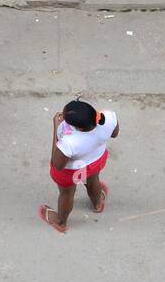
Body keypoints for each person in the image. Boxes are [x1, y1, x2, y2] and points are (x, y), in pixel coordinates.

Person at [41, 100, 119, 234]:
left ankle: (61, 222)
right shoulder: (108, 117)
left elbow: (57, 165)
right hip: (94, 162)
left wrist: (56, 127)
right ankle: (97, 204)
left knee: (67, 194)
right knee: (93, 181)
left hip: (72, 171)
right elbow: (114, 133)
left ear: (80, 128)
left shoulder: (69, 142)